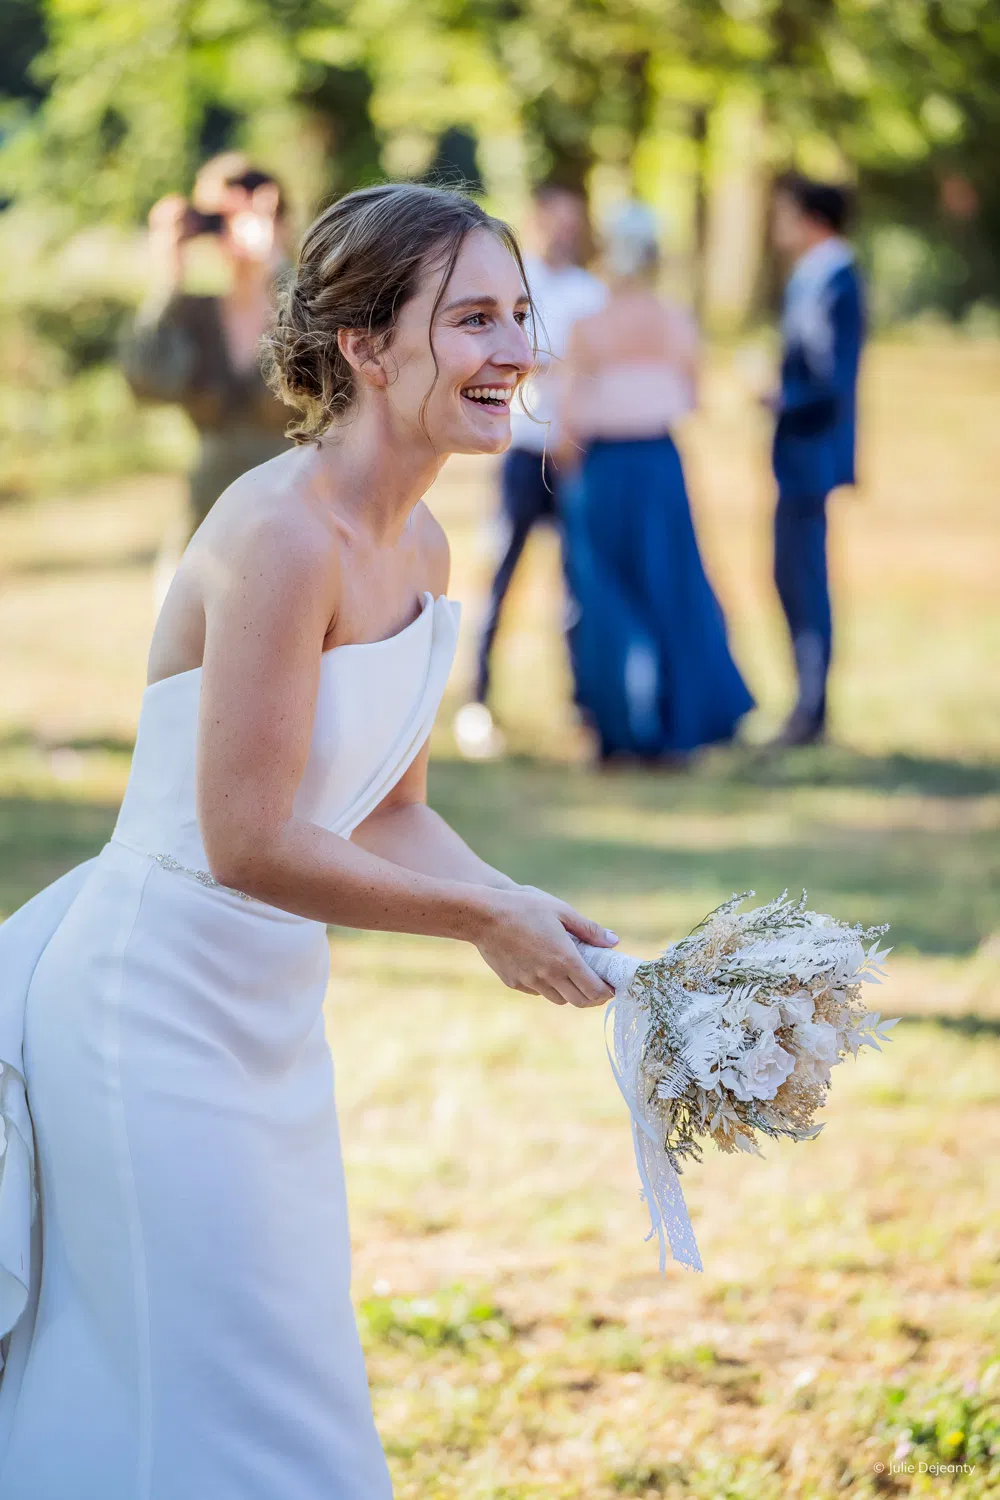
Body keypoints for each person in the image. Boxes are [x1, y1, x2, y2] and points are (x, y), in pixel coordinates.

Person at [0, 184, 620, 1498]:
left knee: (285, 1366)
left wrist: (524, 905)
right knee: (195, 1379)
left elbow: (391, 808)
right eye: (473, 319)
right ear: (366, 346)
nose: (517, 349)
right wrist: (479, 923)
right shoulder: (280, 534)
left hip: (268, 1013)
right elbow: (247, 843)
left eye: (520, 314)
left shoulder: (425, 546)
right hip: (146, 1011)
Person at [557, 203, 754, 765]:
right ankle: (678, 726)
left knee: (606, 593)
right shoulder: (676, 323)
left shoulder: (590, 326)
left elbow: (568, 418)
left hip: (607, 468)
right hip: (660, 464)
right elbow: (693, 397)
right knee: (672, 586)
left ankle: (617, 729)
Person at [453, 181, 606, 758]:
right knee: (501, 575)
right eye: (554, 220)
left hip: (577, 457)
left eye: (571, 222)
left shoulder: (591, 292)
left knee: (579, 584)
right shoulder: (515, 289)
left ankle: (584, 707)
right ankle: (477, 703)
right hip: (522, 452)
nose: (563, 232)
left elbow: (595, 370)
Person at [122, 155, 294, 553]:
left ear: (278, 219)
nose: (226, 231)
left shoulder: (303, 306)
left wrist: (275, 263)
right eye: (214, 219)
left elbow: (334, 368)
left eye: (238, 217)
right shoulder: (194, 315)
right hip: (207, 526)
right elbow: (145, 384)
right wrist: (169, 279)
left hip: (298, 523)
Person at [768, 172, 866, 747]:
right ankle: (806, 706)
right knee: (790, 574)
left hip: (812, 455)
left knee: (802, 577)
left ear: (811, 219)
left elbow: (832, 379)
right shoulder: (814, 277)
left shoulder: (836, 282)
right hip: (799, 455)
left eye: (785, 214)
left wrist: (779, 397)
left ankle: (811, 711)